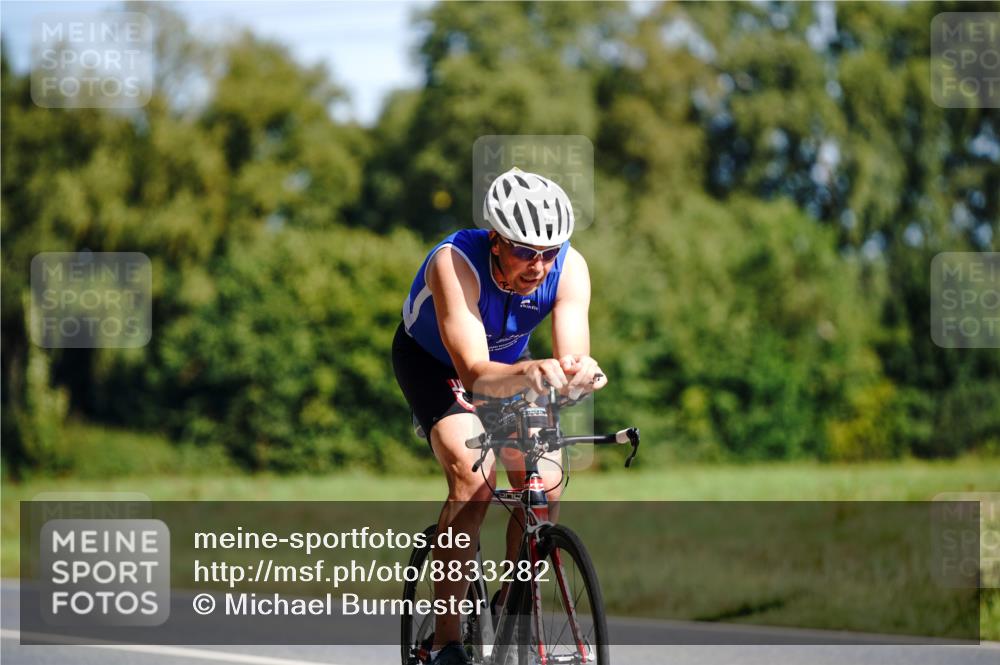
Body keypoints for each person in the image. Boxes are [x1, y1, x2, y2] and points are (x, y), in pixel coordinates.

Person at [392, 167, 606, 665]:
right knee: (474, 482)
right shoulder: (454, 263)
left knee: (545, 483)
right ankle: (445, 643)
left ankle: (510, 608)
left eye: (549, 252)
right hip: (437, 366)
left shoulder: (569, 268)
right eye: (525, 252)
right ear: (495, 240)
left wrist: (580, 373)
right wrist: (532, 371)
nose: (539, 265)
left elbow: (573, 353)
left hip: (510, 368)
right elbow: (474, 374)